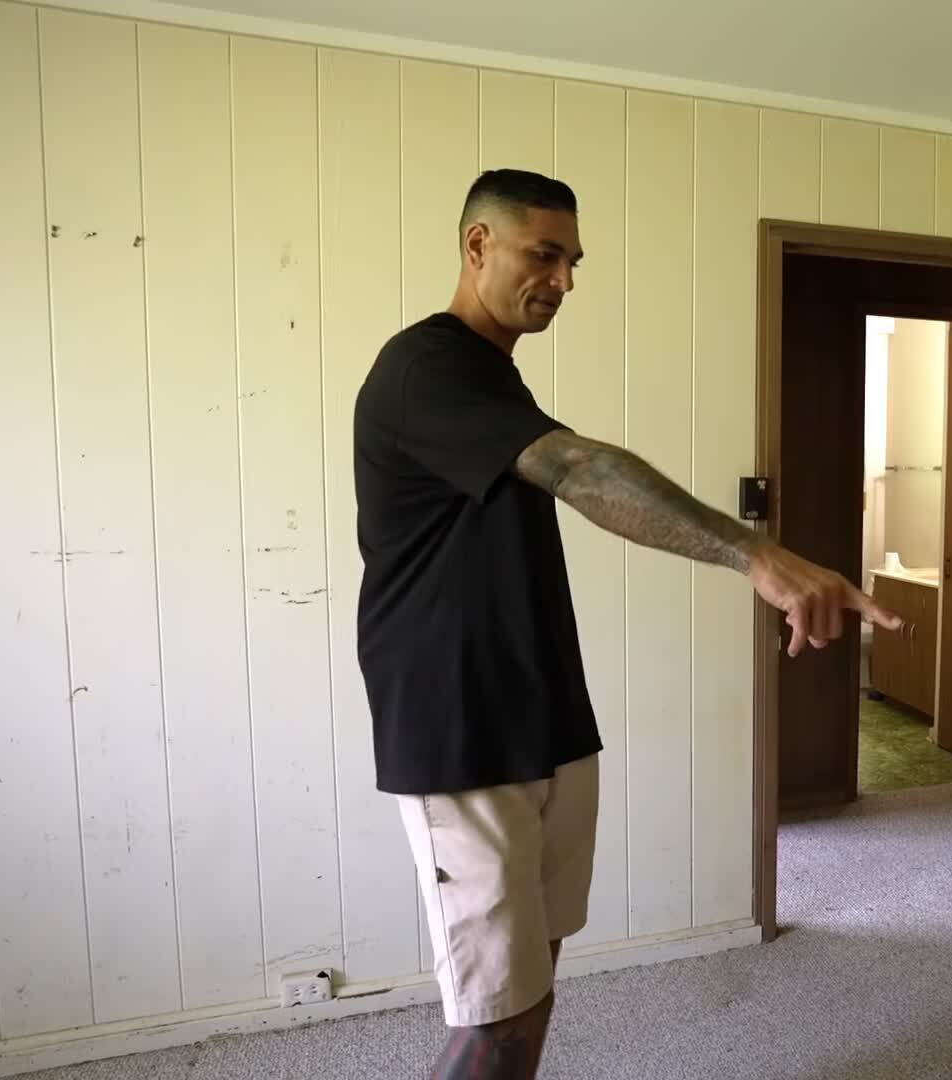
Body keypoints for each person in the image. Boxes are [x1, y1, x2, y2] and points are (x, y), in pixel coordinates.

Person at [352, 168, 901, 1080]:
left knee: (534, 979)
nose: (564, 280)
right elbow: (580, 469)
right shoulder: (424, 368)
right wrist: (756, 555)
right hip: (462, 730)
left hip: (547, 717)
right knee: (496, 1018)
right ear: (477, 244)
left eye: (573, 260)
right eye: (544, 254)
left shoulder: (490, 380)